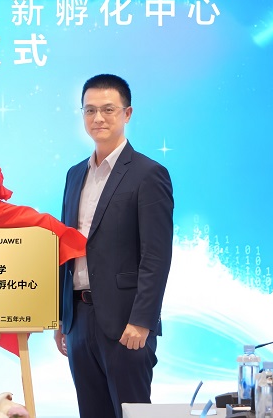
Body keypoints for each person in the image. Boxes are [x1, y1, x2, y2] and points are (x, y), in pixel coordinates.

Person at [55, 74, 173, 418]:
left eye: (108, 109)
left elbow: (156, 255)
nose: (98, 118)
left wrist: (142, 320)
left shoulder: (148, 173)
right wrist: (62, 316)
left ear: (127, 114)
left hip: (126, 324)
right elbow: (67, 247)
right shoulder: (74, 175)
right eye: (90, 110)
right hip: (79, 319)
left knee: (131, 413)